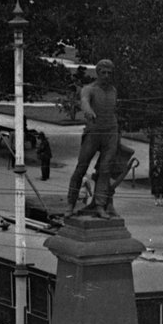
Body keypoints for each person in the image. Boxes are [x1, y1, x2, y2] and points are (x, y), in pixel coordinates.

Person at [64, 59, 121, 214]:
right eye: (103, 72)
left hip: (110, 132)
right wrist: (88, 110)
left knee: (105, 170)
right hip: (94, 132)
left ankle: (100, 206)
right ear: (97, 73)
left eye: (110, 73)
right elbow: (84, 101)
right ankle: (70, 203)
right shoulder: (89, 89)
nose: (107, 76)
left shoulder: (113, 91)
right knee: (81, 167)